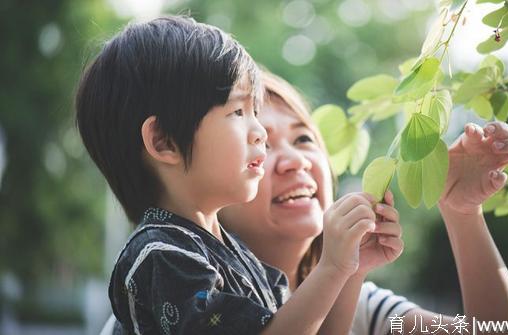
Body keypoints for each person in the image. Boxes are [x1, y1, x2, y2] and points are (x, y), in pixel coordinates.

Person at [78, 16, 399, 335]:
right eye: (237, 112)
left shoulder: (232, 254)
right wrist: (331, 268)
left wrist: (348, 269)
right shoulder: (162, 257)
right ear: (164, 141)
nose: (259, 132)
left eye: (253, 113)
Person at [218, 71, 508, 334]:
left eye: (303, 139)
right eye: (262, 144)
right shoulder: (206, 304)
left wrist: (462, 212)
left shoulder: (363, 305)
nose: (296, 160)